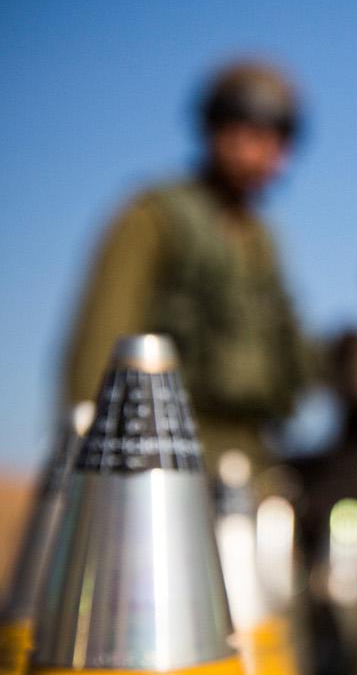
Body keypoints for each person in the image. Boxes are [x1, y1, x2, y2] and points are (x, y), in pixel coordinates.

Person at [63, 60, 309, 471]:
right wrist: (96, 463)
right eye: (259, 135)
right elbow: (99, 351)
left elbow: (286, 357)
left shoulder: (263, 240)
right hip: (164, 453)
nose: (273, 157)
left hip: (254, 455)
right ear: (218, 130)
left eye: (281, 141)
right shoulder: (154, 219)